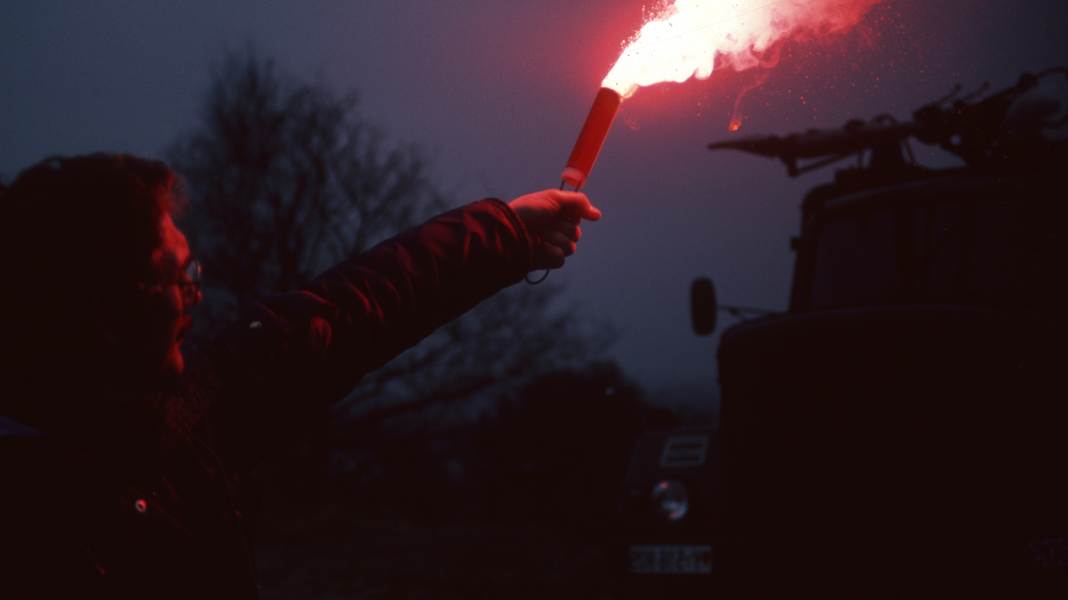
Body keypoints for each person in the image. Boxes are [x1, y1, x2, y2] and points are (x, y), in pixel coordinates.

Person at [0, 153, 601, 598]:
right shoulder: (35, 524)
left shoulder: (174, 421)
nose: (195, 296)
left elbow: (338, 318)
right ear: (106, 305)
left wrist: (507, 233)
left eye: (196, 272)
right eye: (178, 276)